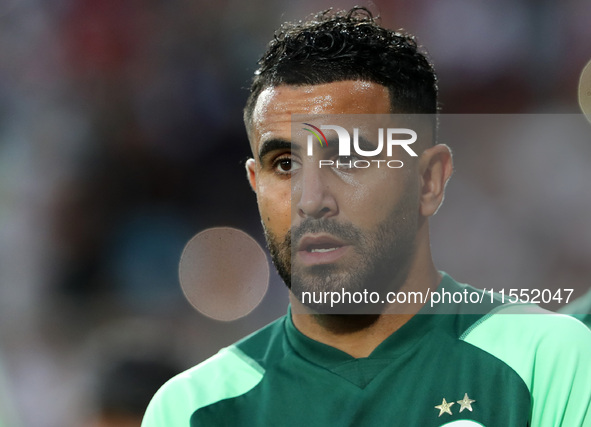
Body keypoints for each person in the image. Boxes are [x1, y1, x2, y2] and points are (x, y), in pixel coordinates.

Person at [142, 7, 591, 426]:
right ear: (255, 182)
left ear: (429, 180)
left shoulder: (545, 361)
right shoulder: (192, 408)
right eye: (285, 164)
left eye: (351, 158)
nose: (311, 199)